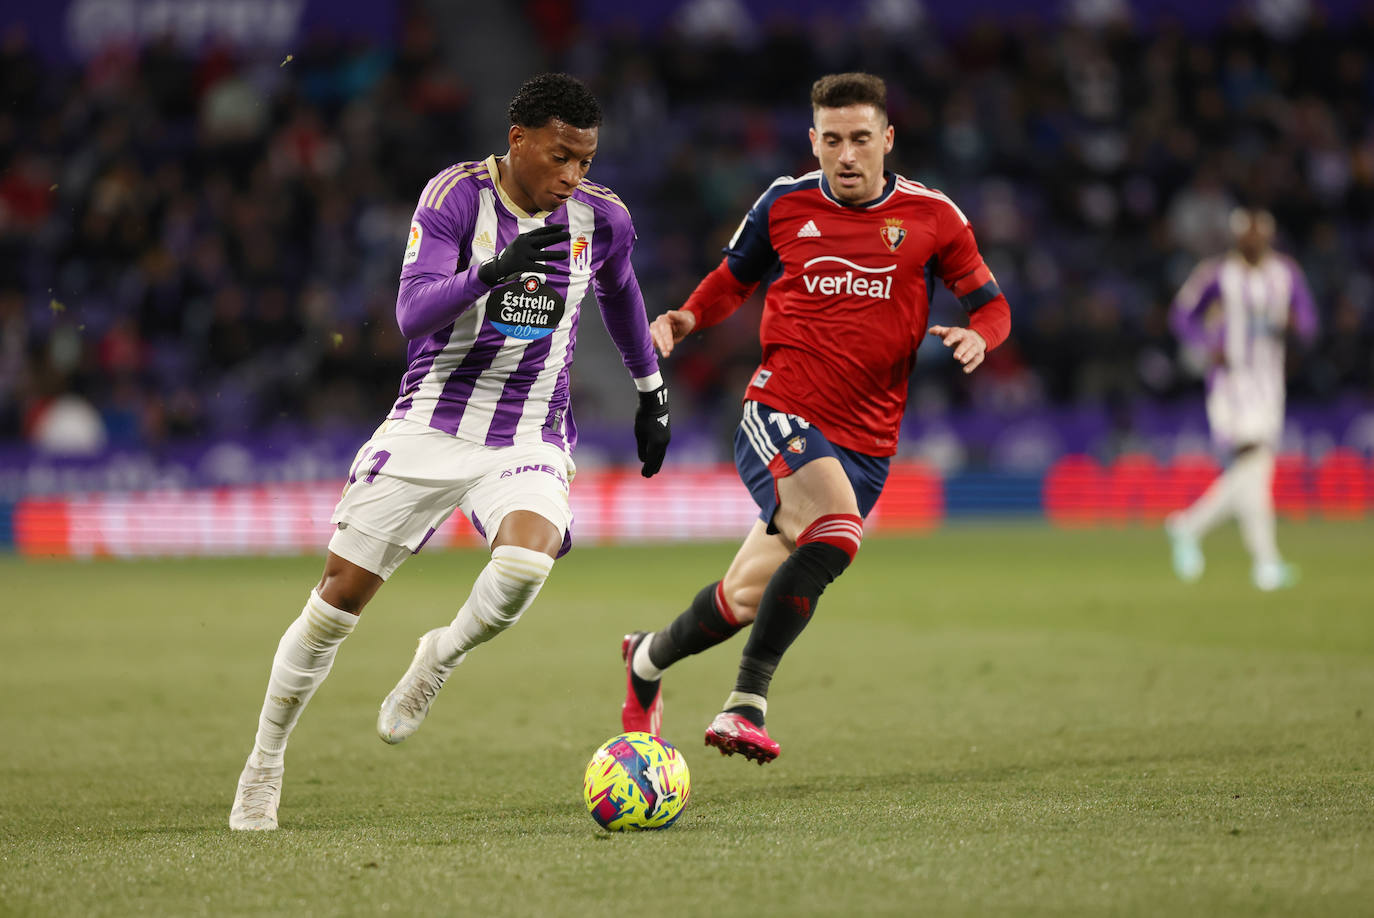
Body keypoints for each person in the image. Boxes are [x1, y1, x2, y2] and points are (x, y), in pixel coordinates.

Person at [230, 73, 671, 830]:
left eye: (586, 163)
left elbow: (622, 293)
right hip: (430, 425)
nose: (573, 176)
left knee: (528, 560)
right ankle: (263, 764)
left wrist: (651, 390)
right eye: (561, 157)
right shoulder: (455, 197)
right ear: (519, 140)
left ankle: (440, 655)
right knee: (337, 603)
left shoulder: (601, 220)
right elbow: (410, 314)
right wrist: (491, 272)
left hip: (528, 431)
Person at [619, 73, 1011, 763]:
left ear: (887, 139)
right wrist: (684, 317)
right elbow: (730, 281)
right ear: (814, 142)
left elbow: (992, 303)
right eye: (832, 141)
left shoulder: (933, 217)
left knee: (743, 597)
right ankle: (746, 703)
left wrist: (982, 334)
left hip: (868, 444)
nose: (847, 156)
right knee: (836, 531)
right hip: (780, 408)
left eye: (861, 139)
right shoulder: (783, 203)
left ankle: (646, 660)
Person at [1164, 207, 1318, 591]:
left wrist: (1297, 327)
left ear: (1268, 236)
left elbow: (1310, 322)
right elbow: (1181, 316)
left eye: (1258, 234)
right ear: (1237, 238)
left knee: (1256, 472)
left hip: (1269, 382)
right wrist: (1205, 346)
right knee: (1256, 462)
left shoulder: (1286, 274)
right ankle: (1200, 531)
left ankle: (1258, 561)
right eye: (1246, 235)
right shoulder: (1216, 274)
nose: (1252, 241)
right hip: (1230, 383)